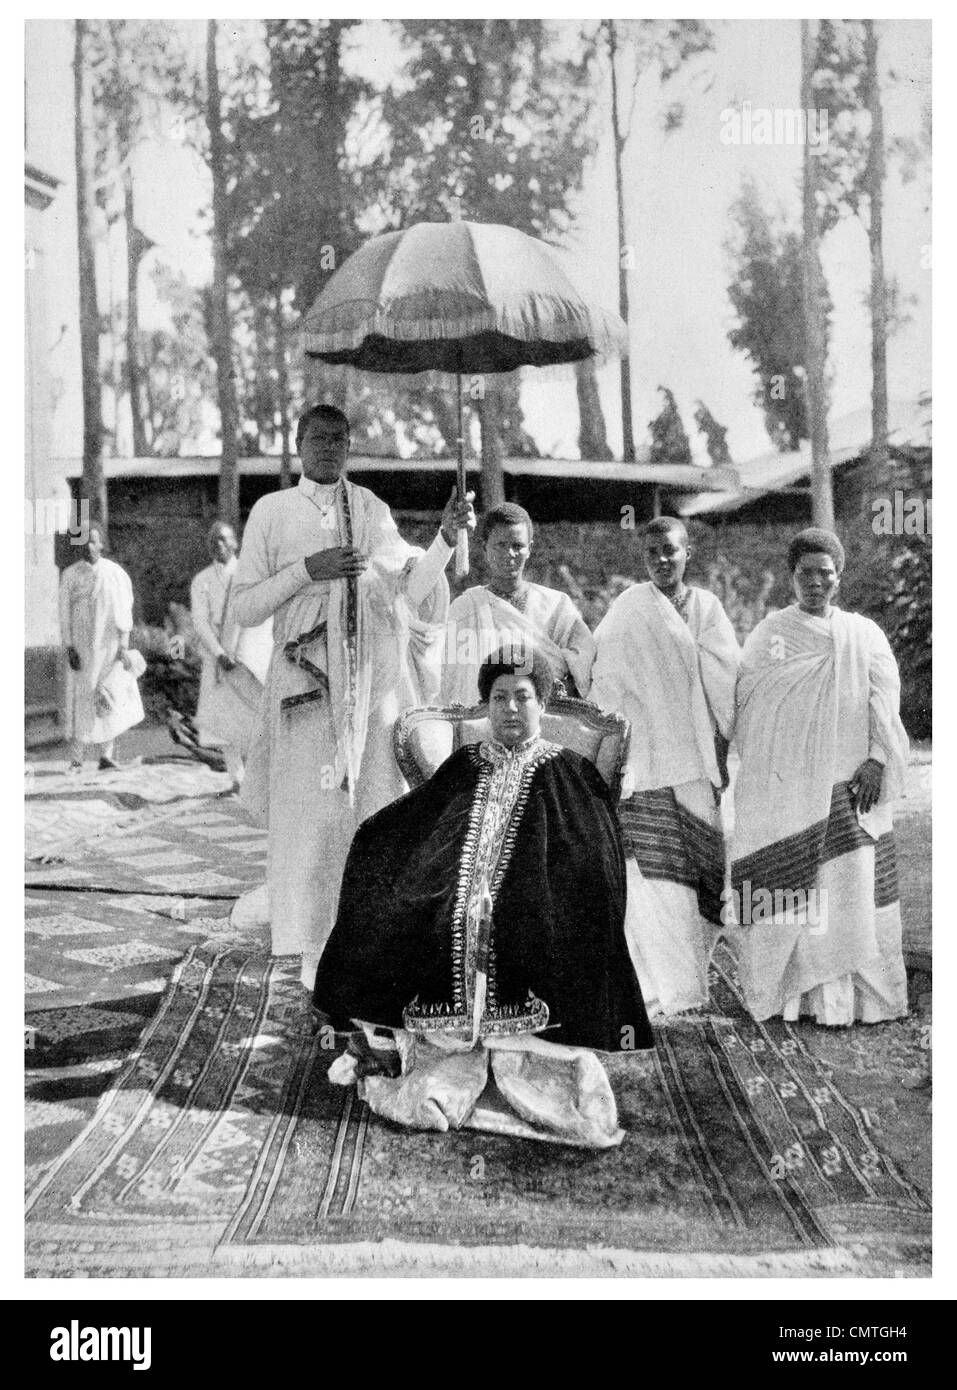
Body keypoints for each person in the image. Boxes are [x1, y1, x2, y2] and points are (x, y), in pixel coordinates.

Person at [313, 649, 652, 1147]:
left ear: (544, 704)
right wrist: (374, 843)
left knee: (517, 923)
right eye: (499, 698)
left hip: (534, 900)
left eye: (523, 697)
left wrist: (534, 893)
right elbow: (420, 822)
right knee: (410, 903)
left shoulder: (570, 769)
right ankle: (441, 1044)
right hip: (456, 893)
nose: (511, 709)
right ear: (486, 705)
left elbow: (594, 853)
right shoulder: (466, 761)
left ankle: (514, 1055)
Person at [231, 403, 475, 988]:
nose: (329, 448)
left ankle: (372, 936)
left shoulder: (368, 508)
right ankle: (311, 944)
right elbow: (243, 607)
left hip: (370, 685)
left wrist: (443, 540)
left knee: (373, 806)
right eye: (317, 438)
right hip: (304, 685)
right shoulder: (271, 511)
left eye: (339, 439)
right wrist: (306, 571)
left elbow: (411, 586)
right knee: (310, 817)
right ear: (297, 442)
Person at [727, 528, 910, 1026]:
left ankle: (856, 1001)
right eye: (805, 573)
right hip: (789, 791)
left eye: (825, 573)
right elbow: (750, 711)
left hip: (852, 782)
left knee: (849, 889)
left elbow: (884, 703)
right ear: (792, 576)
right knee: (795, 895)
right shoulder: (771, 634)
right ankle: (792, 996)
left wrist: (876, 759)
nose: (815, 582)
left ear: (838, 578)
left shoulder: (863, 634)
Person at [590, 517, 740, 1018]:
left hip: (695, 759)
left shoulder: (708, 609)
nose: (661, 559)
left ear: (687, 552)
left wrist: (720, 749)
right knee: (650, 879)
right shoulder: (629, 608)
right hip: (646, 763)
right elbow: (604, 678)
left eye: (670, 550)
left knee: (700, 870)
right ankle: (657, 984)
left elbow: (727, 681)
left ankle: (691, 981)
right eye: (652, 552)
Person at [440, 502, 595, 704]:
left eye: (517, 546)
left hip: (545, 720)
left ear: (529, 549)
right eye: (500, 545)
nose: (509, 554)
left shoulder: (557, 605)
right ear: (485, 547)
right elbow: (447, 676)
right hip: (479, 723)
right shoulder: (464, 609)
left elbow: (584, 664)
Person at [190, 520, 273, 793]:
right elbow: (200, 622)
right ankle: (237, 779)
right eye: (213, 540)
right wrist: (219, 653)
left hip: (248, 657)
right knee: (223, 723)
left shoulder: (252, 575)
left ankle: (260, 780)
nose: (219, 545)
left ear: (235, 543)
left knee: (255, 721)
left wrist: (244, 652)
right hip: (218, 658)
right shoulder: (201, 580)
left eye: (224, 539)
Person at [59, 522, 143, 771]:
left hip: (109, 645)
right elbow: (64, 612)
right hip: (83, 647)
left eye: (94, 541)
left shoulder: (115, 573)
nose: (89, 546)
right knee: (83, 696)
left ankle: (106, 755)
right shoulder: (71, 574)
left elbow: (124, 610)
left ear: (102, 544)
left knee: (107, 694)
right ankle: (77, 758)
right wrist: (69, 646)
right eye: (84, 541)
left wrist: (124, 646)